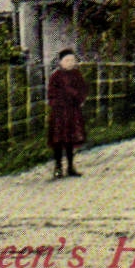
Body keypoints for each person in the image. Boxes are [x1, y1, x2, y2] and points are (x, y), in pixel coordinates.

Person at [46, 49, 87, 179]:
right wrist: (58, 103)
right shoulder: (56, 76)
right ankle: (58, 167)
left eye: (72, 60)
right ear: (61, 62)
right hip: (59, 113)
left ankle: (70, 166)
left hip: (73, 111)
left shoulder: (77, 75)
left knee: (71, 139)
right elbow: (51, 94)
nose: (70, 63)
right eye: (67, 60)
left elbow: (83, 90)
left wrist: (79, 99)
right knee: (58, 139)